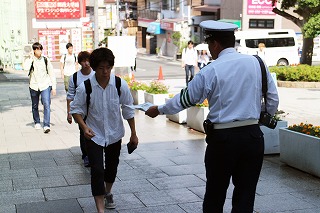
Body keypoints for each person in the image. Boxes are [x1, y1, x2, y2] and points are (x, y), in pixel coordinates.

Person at [145, 20, 279, 213]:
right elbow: (273, 99)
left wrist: (159, 109)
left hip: (222, 141)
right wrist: (258, 120)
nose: (209, 50)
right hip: (252, 137)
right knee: (246, 194)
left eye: (209, 45)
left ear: (215, 44)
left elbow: (186, 99)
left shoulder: (211, 70)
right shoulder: (257, 63)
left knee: (215, 194)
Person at [70, 47, 139, 213]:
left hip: (114, 133)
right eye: (101, 68)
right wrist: (84, 127)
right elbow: (76, 110)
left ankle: (108, 192)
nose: (105, 71)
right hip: (93, 134)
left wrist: (134, 134)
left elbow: (128, 110)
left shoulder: (119, 84)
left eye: (108, 67)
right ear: (94, 68)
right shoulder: (85, 87)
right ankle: (100, 209)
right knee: (97, 170)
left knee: (112, 167)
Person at [66, 51, 95, 167]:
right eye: (83, 61)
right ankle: (86, 155)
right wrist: (69, 113)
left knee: (96, 131)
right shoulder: (75, 77)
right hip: (81, 111)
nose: (86, 63)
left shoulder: (95, 74)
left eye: (88, 60)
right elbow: (70, 96)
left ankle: (95, 153)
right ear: (79, 63)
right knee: (83, 132)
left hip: (95, 109)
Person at [28, 42, 57, 133]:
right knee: (35, 105)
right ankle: (37, 122)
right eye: (37, 49)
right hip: (34, 85)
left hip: (45, 84)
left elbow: (51, 73)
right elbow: (25, 67)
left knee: (46, 104)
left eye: (40, 49)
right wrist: (30, 58)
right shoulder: (31, 60)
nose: (39, 51)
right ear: (34, 50)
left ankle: (46, 125)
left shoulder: (45, 60)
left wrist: (54, 87)